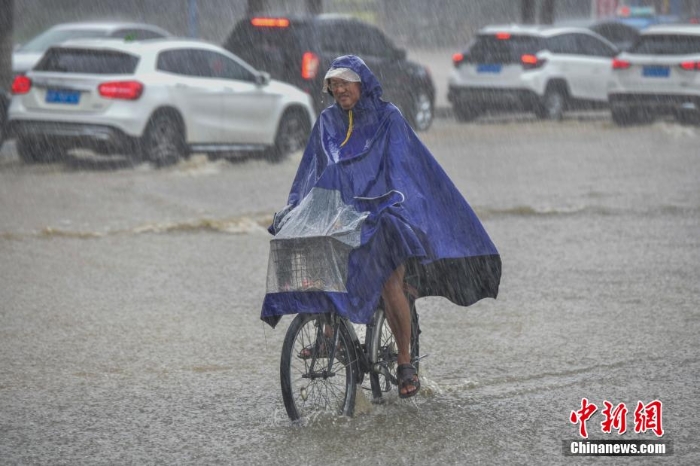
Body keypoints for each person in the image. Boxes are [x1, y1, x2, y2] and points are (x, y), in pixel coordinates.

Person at [262, 55, 501, 399]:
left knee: (391, 282)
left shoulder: (389, 118)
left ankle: (405, 361)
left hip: (382, 212)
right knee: (310, 245)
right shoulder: (327, 121)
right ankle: (327, 332)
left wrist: (385, 201)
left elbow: (403, 169)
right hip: (342, 213)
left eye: (346, 82)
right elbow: (312, 172)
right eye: (334, 83)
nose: (340, 88)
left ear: (363, 84)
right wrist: (298, 207)